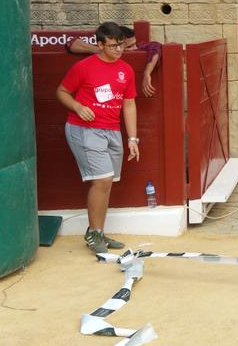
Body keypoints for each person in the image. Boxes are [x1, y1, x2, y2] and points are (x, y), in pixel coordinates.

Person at [56, 22, 140, 254]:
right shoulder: (84, 67)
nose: (118, 50)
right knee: (102, 181)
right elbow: (61, 92)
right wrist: (77, 106)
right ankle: (95, 234)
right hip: (84, 128)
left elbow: (129, 103)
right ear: (100, 44)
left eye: (121, 44)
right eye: (113, 45)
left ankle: (97, 232)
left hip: (112, 130)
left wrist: (133, 139)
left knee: (107, 182)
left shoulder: (126, 70)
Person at [67, 26, 162, 97]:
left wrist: (147, 73)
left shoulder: (140, 47)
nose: (135, 48)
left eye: (134, 44)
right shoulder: (107, 46)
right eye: (129, 46)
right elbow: (71, 43)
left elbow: (156, 46)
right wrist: (106, 50)